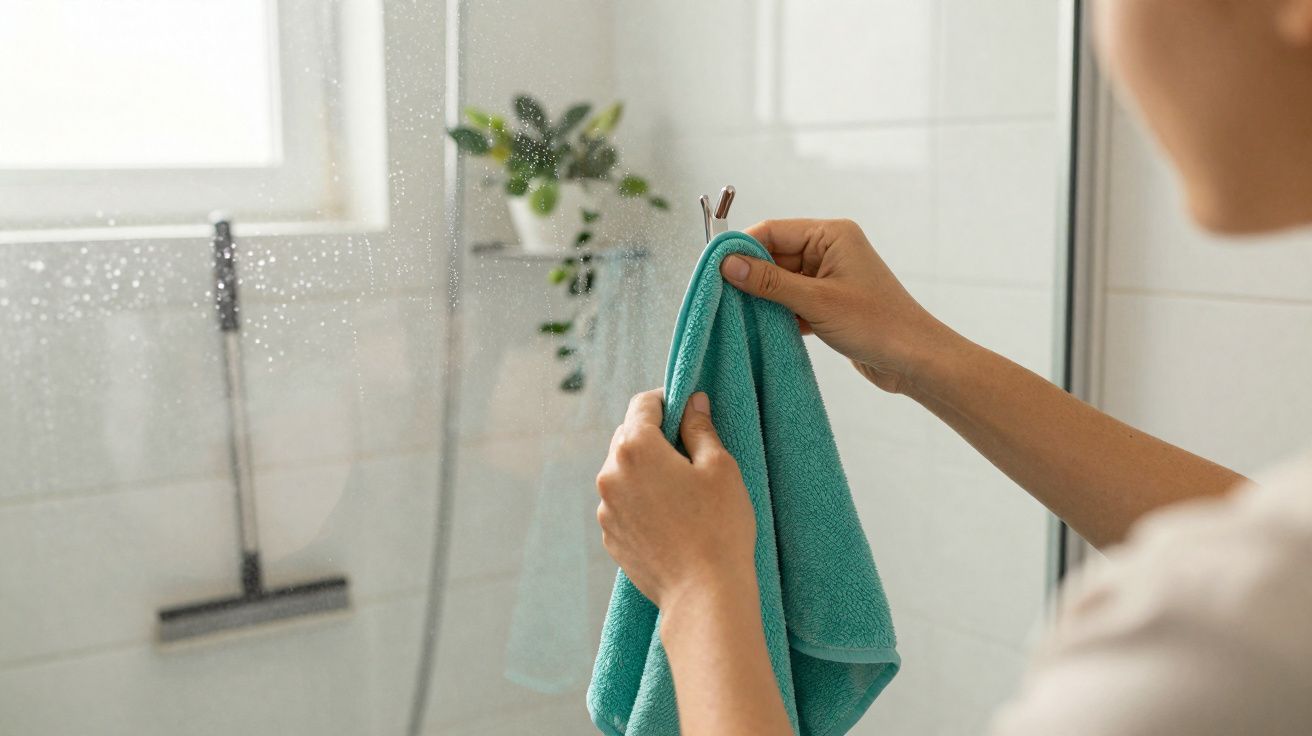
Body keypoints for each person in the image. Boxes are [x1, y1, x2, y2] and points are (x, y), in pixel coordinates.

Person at [592, 0, 1312, 733]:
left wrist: (699, 587)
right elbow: (1258, 546)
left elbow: (1253, 584)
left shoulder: (1211, 659)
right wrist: (918, 353)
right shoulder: (1269, 598)